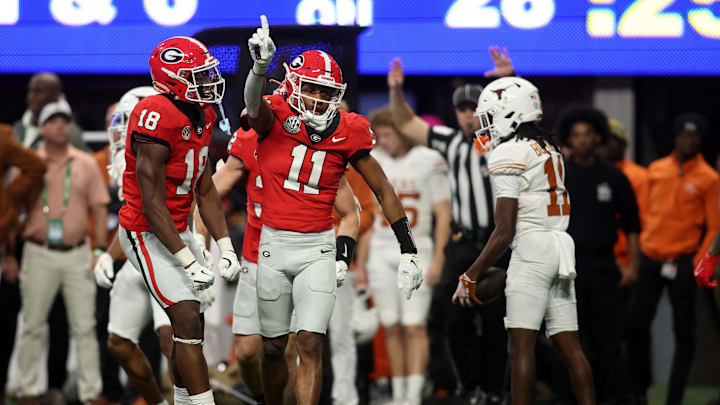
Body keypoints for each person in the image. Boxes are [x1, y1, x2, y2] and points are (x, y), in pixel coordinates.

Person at [244, 16, 423, 405]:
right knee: (274, 348)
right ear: (292, 87)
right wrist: (259, 70)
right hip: (272, 245)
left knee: (310, 344)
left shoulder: (350, 128)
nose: (321, 101)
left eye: (328, 93)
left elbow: (382, 188)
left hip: (319, 248)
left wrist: (408, 249)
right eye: (312, 90)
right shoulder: (274, 113)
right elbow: (253, 105)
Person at [193, 116, 361, 405]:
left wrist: (342, 257)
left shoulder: (316, 144)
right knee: (247, 353)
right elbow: (207, 197)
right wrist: (202, 247)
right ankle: (263, 399)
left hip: (304, 256)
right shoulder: (250, 141)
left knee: (291, 348)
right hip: (257, 258)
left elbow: (350, 213)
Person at [451, 77, 596, 405]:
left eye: (489, 117)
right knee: (571, 347)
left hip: (531, 249)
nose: (485, 126)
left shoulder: (509, 152)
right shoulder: (549, 147)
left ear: (510, 113)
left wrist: (470, 275)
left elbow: (504, 230)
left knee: (520, 346)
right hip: (561, 246)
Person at [116, 36, 240, 405]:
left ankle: (183, 401)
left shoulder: (204, 112)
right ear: (170, 79)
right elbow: (151, 202)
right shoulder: (154, 114)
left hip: (177, 228)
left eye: (206, 74)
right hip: (144, 229)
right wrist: (186, 259)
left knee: (192, 328)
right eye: (196, 76)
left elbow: (204, 189)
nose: (207, 83)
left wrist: (225, 246)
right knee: (185, 317)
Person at [387, 52, 514, 401]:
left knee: (495, 321)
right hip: (461, 243)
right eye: (462, 109)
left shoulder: (503, 138)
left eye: (474, 108)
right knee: (453, 320)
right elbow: (406, 122)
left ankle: (493, 389)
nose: (468, 115)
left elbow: (521, 115)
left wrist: (508, 78)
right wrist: (396, 90)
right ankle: (469, 385)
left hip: (498, 243)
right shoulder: (449, 141)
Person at [15, 99, 109, 405]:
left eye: (64, 120)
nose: (61, 125)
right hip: (37, 251)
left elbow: (99, 208)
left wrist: (98, 250)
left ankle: (91, 393)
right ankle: (27, 389)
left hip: (78, 253)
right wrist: (7, 254)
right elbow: (11, 206)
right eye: (53, 120)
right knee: (32, 324)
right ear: (41, 128)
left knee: (85, 326)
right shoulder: (29, 163)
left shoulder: (85, 163)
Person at [627, 113, 720, 405]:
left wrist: (698, 262)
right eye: (683, 134)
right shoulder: (656, 169)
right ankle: (638, 391)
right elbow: (642, 211)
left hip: (683, 260)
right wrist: (641, 244)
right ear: (675, 136)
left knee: (684, 330)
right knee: (636, 325)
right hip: (651, 256)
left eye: (693, 136)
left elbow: (715, 225)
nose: (687, 140)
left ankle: (675, 397)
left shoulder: (709, 177)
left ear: (700, 141)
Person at [92, 86, 177, 405]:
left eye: (129, 121)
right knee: (118, 342)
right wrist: (107, 255)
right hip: (138, 254)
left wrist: (207, 249)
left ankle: (188, 400)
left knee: (171, 339)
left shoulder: (171, 152)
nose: (121, 131)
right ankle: (156, 402)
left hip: (171, 255)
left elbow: (193, 204)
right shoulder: (126, 161)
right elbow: (133, 218)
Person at [364, 106, 451, 405]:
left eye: (388, 134)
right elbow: (369, 213)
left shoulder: (429, 161)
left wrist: (440, 257)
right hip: (379, 249)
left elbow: (443, 212)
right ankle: (398, 393)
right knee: (391, 326)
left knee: (414, 326)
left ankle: (413, 395)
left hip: (417, 250)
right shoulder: (375, 160)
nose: (383, 141)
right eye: (381, 135)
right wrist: (362, 261)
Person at [558, 107, 640, 403]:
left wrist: (632, 265)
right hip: (568, 267)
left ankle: (608, 397)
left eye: (588, 134)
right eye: (576, 135)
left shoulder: (614, 176)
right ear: (569, 138)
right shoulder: (560, 174)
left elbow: (632, 224)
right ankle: (575, 397)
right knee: (573, 341)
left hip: (605, 266)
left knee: (609, 340)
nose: (582, 140)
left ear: (598, 137)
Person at [0, 124, 47, 404]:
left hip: (1, 241)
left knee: (4, 321)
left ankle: (2, 383)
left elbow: (35, 165)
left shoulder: (2, 138)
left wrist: (7, 199)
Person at [604, 119, 650, 270]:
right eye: (606, 140)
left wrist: (635, 258)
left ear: (624, 144)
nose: (609, 144)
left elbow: (643, 218)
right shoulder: (594, 172)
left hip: (627, 253)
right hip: (599, 250)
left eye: (614, 140)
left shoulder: (639, 175)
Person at [13, 72, 87, 151]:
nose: (31, 96)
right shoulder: (18, 127)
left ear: (56, 95)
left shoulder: (68, 131)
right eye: (30, 91)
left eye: (38, 91)